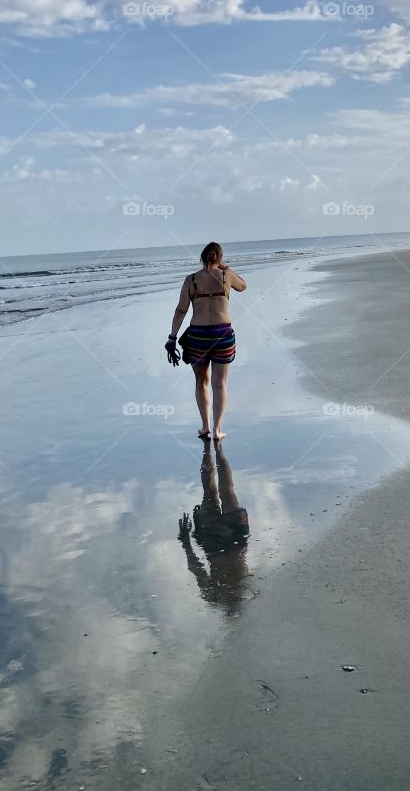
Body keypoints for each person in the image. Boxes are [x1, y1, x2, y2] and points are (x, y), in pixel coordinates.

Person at [166, 242, 246, 440]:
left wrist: (172, 337)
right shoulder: (227, 276)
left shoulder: (191, 280)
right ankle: (218, 430)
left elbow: (181, 310)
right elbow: (243, 286)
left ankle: (205, 427)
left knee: (201, 381)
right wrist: (225, 267)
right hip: (223, 334)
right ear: (219, 259)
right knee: (220, 384)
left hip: (198, 336)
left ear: (201, 258)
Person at [178, 443, 252, 614]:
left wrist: (186, 541)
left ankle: (214, 447)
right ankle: (210, 448)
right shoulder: (214, 597)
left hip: (233, 541)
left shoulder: (247, 593)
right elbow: (195, 567)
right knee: (213, 490)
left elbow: (196, 568)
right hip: (215, 543)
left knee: (225, 490)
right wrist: (185, 542)